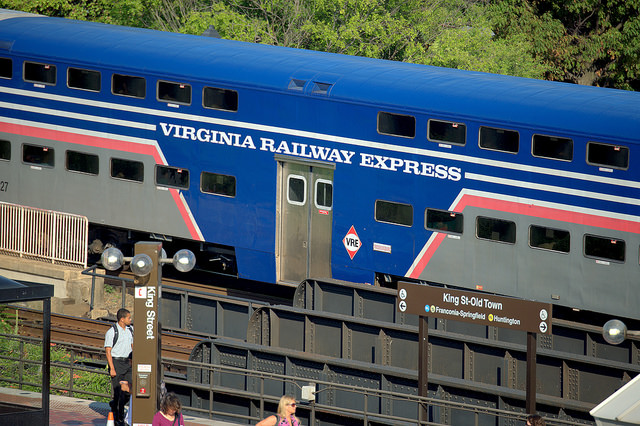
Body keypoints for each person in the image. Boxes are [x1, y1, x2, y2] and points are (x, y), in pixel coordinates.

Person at [104, 308, 133, 426]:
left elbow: (132, 345)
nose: (130, 320)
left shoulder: (131, 330)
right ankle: (119, 417)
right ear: (122, 319)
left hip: (127, 363)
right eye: (129, 318)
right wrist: (112, 368)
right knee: (118, 392)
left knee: (130, 389)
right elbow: (108, 351)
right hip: (116, 362)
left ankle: (114, 405)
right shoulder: (112, 332)